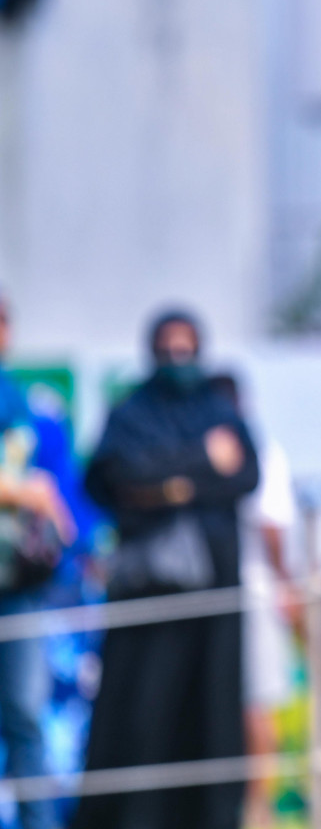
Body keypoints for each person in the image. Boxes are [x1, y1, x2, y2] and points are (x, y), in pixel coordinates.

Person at [74, 310, 259, 829]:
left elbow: (244, 473)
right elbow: (116, 478)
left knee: (214, 708)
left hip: (217, 593)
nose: (178, 359)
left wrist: (169, 482)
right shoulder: (131, 412)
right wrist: (201, 461)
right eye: (168, 348)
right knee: (142, 708)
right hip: (150, 594)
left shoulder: (220, 409)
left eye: (187, 348)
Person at [203, 374, 301, 829]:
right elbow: (272, 525)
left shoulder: (251, 450)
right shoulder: (245, 449)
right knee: (251, 705)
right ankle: (250, 811)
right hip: (240, 590)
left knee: (252, 705)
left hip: (243, 590)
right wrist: (287, 584)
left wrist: (284, 583)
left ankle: (256, 812)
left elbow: (270, 526)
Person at [0, 289, 75, 829]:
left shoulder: (24, 403)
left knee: (26, 714)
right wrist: (25, 492)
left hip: (18, 584)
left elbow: (63, 495)